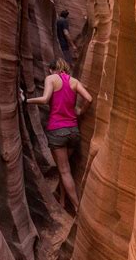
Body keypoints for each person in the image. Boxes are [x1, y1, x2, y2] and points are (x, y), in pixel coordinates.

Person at [26, 58, 92, 212]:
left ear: (51, 69)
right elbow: (88, 98)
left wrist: (26, 100)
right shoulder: (74, 81)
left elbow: (44, 99)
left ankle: (77, 208)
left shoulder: (51, 79)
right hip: (73, 131)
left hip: (57, 131)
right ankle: (62, 200)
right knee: (65, 168)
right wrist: (80, 111)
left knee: (64, 170)